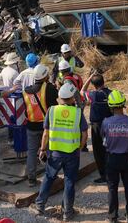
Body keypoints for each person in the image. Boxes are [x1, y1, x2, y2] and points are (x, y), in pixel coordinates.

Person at [35, 82, 89, 221]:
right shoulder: (77, 113)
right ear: (71, 98)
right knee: (69, 181)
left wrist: (42, 149)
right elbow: (84, 134)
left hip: (55, 153)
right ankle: (67, 212)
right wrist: (80, 147)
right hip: (72, 154)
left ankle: (40, 205)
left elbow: (46, 133)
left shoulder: (51, 110)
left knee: (48, 178)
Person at [101, 90, 128, 223]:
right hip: (127, 158)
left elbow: (104, 138)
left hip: (112, 159)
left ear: (110, 107)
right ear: (123, 105)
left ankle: (113, 217)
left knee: (112, 188)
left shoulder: (106, 122)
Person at [22, 64, 58, 186]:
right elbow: (55, 105)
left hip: (31, 126)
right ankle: (51, 176)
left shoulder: (25, 91)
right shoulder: (49, 88)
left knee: (32, 153)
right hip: (46, 127)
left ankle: (31, 179)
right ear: (44, 76)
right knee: (49, 151)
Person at [80, 70, 112, 183]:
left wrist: (90, 77)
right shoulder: (111, 93)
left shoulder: (93, 95)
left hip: (97, 126)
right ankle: (113, 172)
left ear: (93, 85)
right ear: (104, 81)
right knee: (110, 149)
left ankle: (104, 176)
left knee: (98, 151)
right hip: (110, 124)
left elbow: (82, 90)